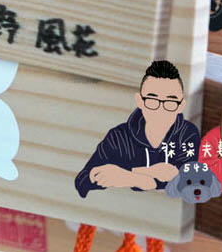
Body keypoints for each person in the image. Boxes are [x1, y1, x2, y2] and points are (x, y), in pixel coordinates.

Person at [74, 59, 199, 197]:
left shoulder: (187, 134)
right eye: (152, 100)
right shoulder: (119, 137)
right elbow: (82, 182)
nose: (161, 109)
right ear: (140, 101)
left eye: (170, 102)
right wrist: (142, 178)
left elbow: (189, 182)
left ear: (181, 106)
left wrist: (133, 176)